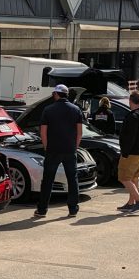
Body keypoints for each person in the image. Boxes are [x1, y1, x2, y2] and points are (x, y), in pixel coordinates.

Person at [35, 85, 84, 218]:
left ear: (56, 94)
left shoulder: (48, 109)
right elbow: (79, 132)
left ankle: (42, 210)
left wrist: (46, 147)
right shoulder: (76, 109)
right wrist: (75, 147)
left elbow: (43, 132)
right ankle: (73, 209)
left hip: (53, 150)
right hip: (70, 150)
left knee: (47, 181)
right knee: (72, 180)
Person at [117, 91, 139, 214]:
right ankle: (131, 203)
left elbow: (129, 137)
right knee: (134, 176)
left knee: (124, 177)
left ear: (130, 101)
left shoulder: (132, 117)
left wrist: (125, 152)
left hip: (131, 153)